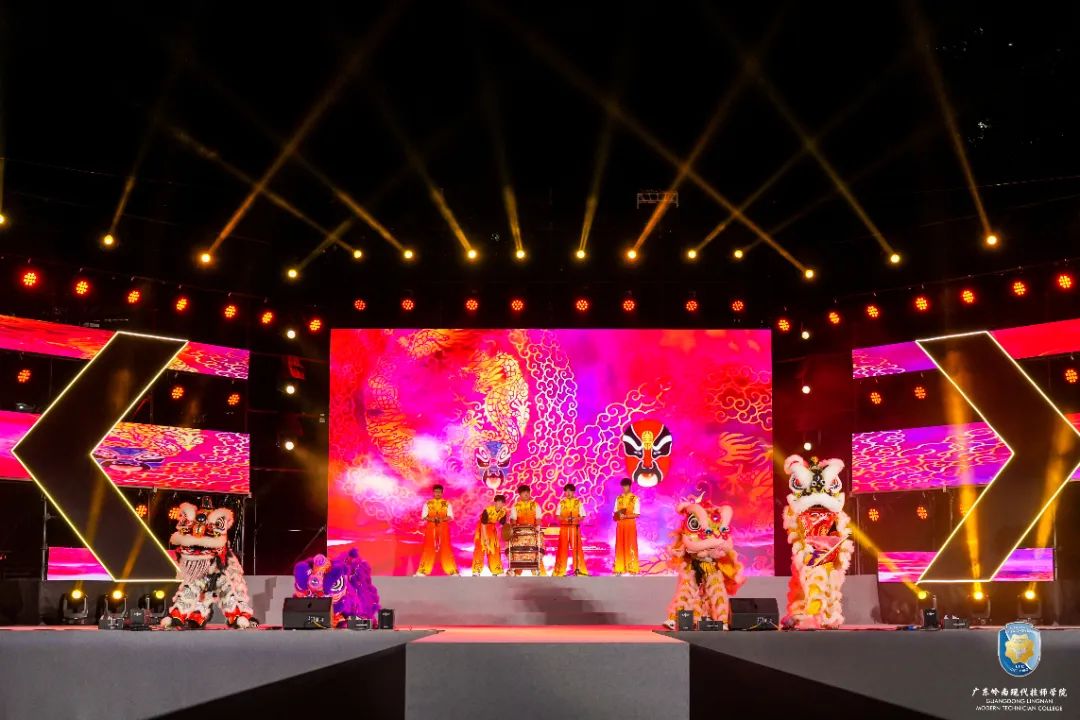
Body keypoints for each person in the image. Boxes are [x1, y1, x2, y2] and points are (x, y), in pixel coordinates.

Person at [416, 484, 458, 576]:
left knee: (446, 548)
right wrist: (432, 519)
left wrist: (442, 519)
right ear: (433, 493)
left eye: (439, 492)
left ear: (442, 493)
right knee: (428, 548)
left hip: (443, 527)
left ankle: (452, 571)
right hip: (431, 528)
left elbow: (450, 516)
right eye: (436, 492)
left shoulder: (447, 504)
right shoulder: (428, 503)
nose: (437, 493)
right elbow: (424, 516)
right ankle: (423, 571)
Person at [509, 485, 546, 576]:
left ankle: (537, 572)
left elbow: (538, 518)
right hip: (520, 533)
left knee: (536, 550)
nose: (526, 494)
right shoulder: (516, 506)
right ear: (520, 494)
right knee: (518, 551)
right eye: (524, 492)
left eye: (527, 492)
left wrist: (537, 527)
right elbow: (513, 520)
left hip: (532, 532)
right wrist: (514, 529)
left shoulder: (535, 505)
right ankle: (517, 571)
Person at [554, 483, 589, 576]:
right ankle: (560, 571)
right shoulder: (561, 503)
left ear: (573, 492)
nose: (568, 493)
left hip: (574, 528)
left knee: (577, 549)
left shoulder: (578, 503)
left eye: (570, 491)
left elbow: (583, 516)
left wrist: (576, 519)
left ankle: (579, 570)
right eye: (566, 491)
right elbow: (557, 515)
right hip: (564, 528)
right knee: (562, 549)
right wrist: (564, 519)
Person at [471, 494, 508, 576]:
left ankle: (496, 570)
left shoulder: (503, 512)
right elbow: (483, 524)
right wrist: (485, 538)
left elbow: (503, 524)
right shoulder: (487, 510)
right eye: (499, 502)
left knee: (494, 548)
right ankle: (476, 570)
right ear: (495, 502)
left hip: (492, 529)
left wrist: (507, 533)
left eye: (502, 502)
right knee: (480, 548)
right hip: (482, 529)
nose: (500, 504)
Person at [613, 478, 640, 575]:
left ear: (630, 486)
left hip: (630, 524)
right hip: (620, 524)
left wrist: (626, 516)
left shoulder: (635, 498)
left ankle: (632, 567)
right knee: (620, 544)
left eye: (626, 486)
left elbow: (637, 514)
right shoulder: (618, 498)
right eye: (623, 486)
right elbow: (615, 512)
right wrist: (617, 516)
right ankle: (620, 567)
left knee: (631, 544)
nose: (624, 488)